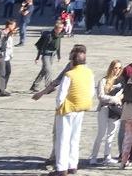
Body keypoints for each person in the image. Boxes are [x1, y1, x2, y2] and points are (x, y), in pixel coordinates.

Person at [39, 42, 95, 175]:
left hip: (67, 110)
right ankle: (73, 165)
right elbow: (91, 91)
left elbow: (60, 95)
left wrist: (59, 108)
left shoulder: (69, 74)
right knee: (75, 138)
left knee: (63, 140)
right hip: (81, 109)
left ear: (73, 61)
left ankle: (61, 168)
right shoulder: (89, 72)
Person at [88, 59, 125, 166]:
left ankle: (107, 156)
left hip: (116, 110)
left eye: (119, 68)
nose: (117, 70)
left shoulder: (121, 81)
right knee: (101, 134)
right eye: (115, 68)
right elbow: (101, 96)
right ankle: (93, 156)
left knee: (111, 135)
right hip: (104, 109)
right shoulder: (103, 81)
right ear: (111, 68)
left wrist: (120, 98)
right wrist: (114, 99)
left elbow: (123, 94)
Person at [32, 23, 65, 92]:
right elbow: (41, 47)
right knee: (48, 70)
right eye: (60, 28)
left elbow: (58, 46)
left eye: (62, 28)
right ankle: (49, 87)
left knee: (44, 71)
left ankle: (35, 85)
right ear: (56, 28)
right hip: (45, 55)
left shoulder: (59, 36)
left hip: (52, 56)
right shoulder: (49, 36)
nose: (61, 29)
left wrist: (59, 56)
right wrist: (37, 57)